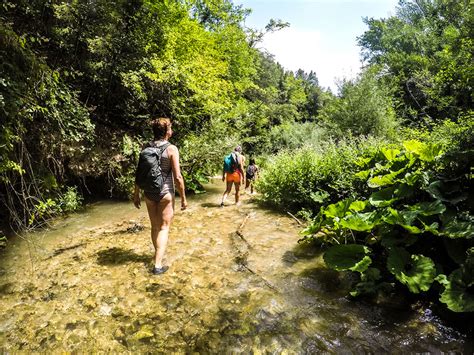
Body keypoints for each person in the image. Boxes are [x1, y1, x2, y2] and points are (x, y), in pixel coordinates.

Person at [133, 117, 187, 275]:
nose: (172, 130)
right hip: (165, 193)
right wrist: (183, 197)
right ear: (167, 131)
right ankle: (157, 265)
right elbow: (177, 177)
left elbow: (139, 173)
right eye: (170, 128)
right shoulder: (171, 149)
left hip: (149, 193)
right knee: (164, 228)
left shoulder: (145, 147)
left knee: (155, 227)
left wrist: (136, 194)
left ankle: (157, 254)